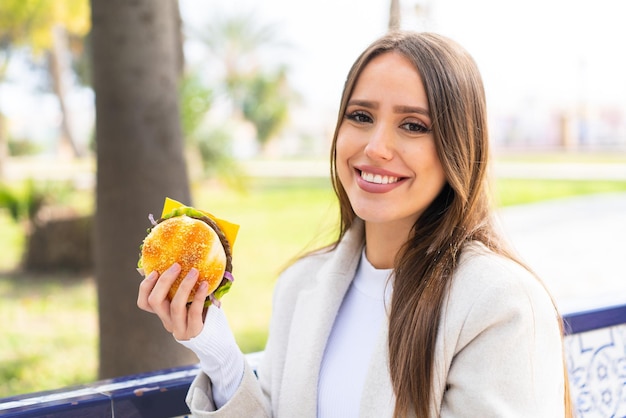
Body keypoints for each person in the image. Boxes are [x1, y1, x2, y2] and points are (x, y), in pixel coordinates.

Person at [138, 30, 572, 417]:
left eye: (413, 125)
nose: (376, 147)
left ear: (459, 147)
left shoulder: (502, 306)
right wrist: (215, 349)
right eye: (361, 116)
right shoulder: (300, 284)